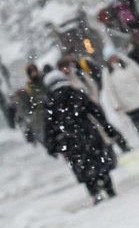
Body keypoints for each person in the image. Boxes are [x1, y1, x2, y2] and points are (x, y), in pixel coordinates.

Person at [42, 66, 124, 202]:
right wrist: (108, 129)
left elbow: (49, 127)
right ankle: (108, 187)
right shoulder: (76, 94)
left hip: (69, 140)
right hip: (88, 133)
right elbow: (95, 112)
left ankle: (94, 192)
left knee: (82, 167)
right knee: (99, 161)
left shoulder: (50, 103)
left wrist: (52, 145)